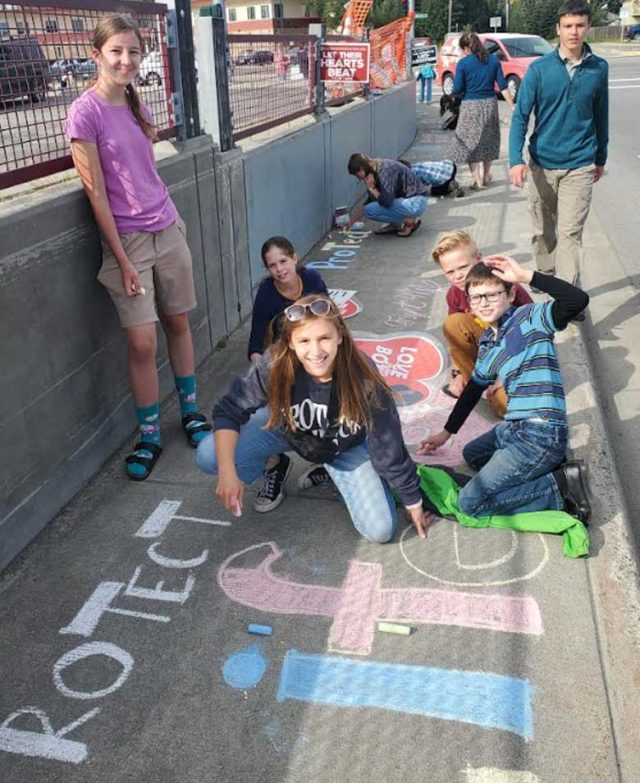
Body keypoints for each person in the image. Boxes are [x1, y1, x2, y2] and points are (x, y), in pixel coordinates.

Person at [65, 14, 210, 481]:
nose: (126, 60)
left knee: (178, 321)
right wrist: (123, 260)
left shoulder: (133, 101)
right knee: (142, 340)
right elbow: (97, 194)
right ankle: (149, 433)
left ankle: (190, 411)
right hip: (127, 241)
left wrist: (168, 223)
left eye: (133, 51)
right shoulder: (83, 112)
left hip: (167, 226)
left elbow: (144, 172)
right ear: (97, 55)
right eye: (116, 52)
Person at [196, 295, 433, 540]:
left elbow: (387, 442)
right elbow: (230, 410)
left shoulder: (362, 374)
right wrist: (227, 472)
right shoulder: (275, 362)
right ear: (290, 342)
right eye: (305, 341)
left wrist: (412, 499)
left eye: (324, 339)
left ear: (340, 336)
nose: (315, 351)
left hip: (344, 447)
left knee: (381, 531)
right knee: (209, 454)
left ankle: (332, 473)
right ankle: (273, 466)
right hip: (288, 430)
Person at [418, 256, 592, 524]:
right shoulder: (489, 342)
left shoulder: (531, 318)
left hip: (541, 433)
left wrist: (526, 276)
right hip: (514, 430)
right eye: (476, 298)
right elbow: (473, 389)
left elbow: (577, 300)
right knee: (472, 455)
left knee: (470, 503)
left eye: (491, 294)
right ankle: (540, 470)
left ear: (511, 294)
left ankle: (560, 487)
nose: (483, 303)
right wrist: (446, 432)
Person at [508, 0, 608, 287]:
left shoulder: (598, 68)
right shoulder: (539, 70)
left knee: (570, 234)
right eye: (568, 26)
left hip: (580, 163)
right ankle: (546, 273)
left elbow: (601, 116)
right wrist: (515, 159)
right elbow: (520, 117)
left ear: (588, 26)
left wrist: (600, 157)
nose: (573, 32)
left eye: (579, 25)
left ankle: (567, 296)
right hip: (542, 163)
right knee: (543, 230)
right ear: (558, 29)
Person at [247, 236, 331, 494]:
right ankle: (274, 464)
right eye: (272, 265)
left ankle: (327, 463)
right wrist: (266, 373)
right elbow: (254, 347)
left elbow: (332, 319)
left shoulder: (313, 279)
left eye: (283, 261)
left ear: (295, 257)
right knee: (264, 414)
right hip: (282, 358)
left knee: (329, 406)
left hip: (315, 353)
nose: (279, 269)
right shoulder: (266, 293)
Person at [431, 230, 532, 416]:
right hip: (488, 349)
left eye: (463, 267)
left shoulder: (504, 284)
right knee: (453, 323)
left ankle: (498, 388)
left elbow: (536, 334)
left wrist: (506, 374)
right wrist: (458, 371)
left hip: (518, 353)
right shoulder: (454, 294)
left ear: (478, 258)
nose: (458, 276)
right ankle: (477, 383)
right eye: (450, 272)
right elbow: (455, 338)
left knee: (507, 408)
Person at [449, 32, 514, 190]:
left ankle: (476, 179)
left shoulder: (463, 63)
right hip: (490, 104)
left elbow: (457, 88)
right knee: (488, 140)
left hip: (470, 105)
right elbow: (503, 85)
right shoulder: (493, 60)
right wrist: (512, 105)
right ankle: (486, 175)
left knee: (470, 142)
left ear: (465, 48)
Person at [346, 152, 428, 237]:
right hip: (410, 202)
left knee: (370, 210)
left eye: (357, 174)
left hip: (416, 202)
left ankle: (409, 222)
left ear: (361, 168)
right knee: (370, 209)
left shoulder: (384, 169)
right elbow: (371, 201)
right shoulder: (374, 172)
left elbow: (387, 201)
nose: (358, 177)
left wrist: (372, 189)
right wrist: (351, 222)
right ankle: (396, 224)